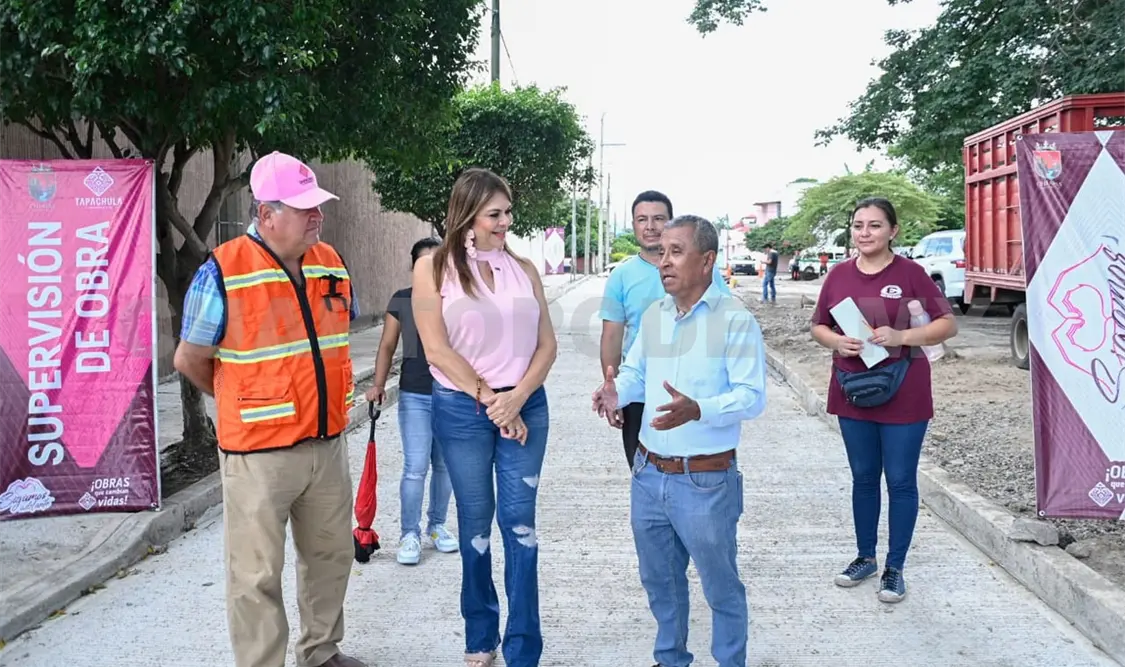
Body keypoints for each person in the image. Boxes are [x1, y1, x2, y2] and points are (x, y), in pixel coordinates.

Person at [173, 151, 367, 667]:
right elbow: (189, 358)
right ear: (266, 214)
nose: (317, 216)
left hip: (326, 445)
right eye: (304, 208)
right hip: (259, 454)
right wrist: (238, 397)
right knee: (255, 573)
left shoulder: (331, 261)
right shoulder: (223, 270)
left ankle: (321, 651)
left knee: (330, 555)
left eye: (318, 205)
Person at [593, 215, 768, 667]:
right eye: (660, 252)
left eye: (676, 252)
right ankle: (670, 658)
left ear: (707, 261)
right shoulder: (656, 315)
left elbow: (751, 397)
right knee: (660, 582)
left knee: (720, 587)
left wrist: (700, 409)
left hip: (705, 480)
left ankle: (730, 661)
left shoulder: (734, 320)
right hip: (648, 473)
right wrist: (616, 392)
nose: (663, 262)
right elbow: (636, 374)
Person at [412, 167, 558, 667]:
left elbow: (547, 345)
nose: (505, 222)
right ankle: (480, 636)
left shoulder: (525, 270)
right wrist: (493, 400)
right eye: (494, 214)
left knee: (520, 526)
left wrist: (516, 398)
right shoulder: (432, 268)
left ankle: (524, 649)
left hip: (525, 406)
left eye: (508, 212)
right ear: (467, 215)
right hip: (463, 410)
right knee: (475, 525)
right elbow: (436, 348)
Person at [810, 197, 958, 603]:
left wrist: (901, 336)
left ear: (893, 231)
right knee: (863, 477)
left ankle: (895, 568)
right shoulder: (838, 275)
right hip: (852, 389)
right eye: (858, 225)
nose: (865, 233)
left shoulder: (911, 274)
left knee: (900, 479)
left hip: (904, 390)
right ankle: (865, 557)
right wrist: (836, 341)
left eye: (875, 225)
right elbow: (818, 326)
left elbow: (947, 325)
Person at [598, 190, 731, 468]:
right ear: (633, 225)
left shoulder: (704, 271)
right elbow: (611, 336)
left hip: (694, 390)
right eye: (642, 219)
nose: (650, 226)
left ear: (671, 222)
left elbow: (723, 321)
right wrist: (615, 392)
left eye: (658, 219)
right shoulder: (621, 276)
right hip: (639, 391)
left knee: (695, 469)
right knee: (642, 469)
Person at [366, 236, 459, 566]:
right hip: (415, 395)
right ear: (413, 267)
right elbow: (387, 346)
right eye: (424, 262)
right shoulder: (403, 300)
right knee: (416, 467)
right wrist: (378, 385)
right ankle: (409, 533)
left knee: (445, 466)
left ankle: (437, 526)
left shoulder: (456, 298)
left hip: (452, 394)